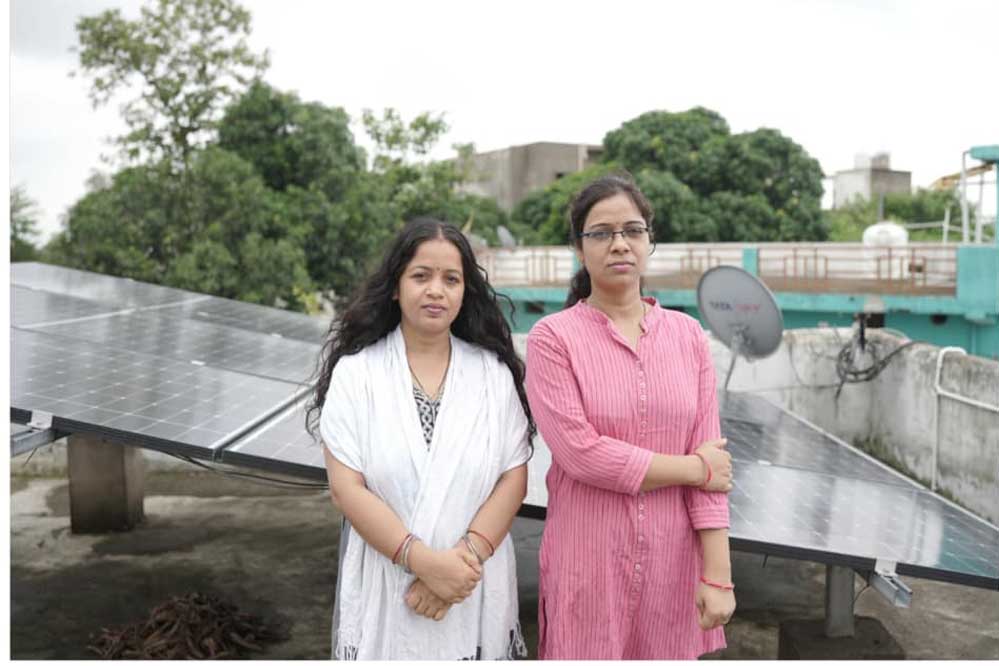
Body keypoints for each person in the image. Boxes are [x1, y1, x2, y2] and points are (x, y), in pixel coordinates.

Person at [525, 174, 736, 659]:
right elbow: (581, 454)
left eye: (633, 230)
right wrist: (693, 468)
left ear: (648, 241)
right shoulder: (553, 339)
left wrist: (718, 575)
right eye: (601, 233)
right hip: (589, 565)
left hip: (672, 564)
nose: (619, 244)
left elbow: (713, 465)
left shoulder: (688, 336)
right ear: (580, 249)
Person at [307, 218, 533, 660]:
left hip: (472, 583)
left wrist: (458, 567)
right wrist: (426, 564)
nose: (436, 290)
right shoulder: (357, 374)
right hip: (389, 584)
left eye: (451, 279)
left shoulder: (492, 374)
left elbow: (513, 477)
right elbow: (346, 488)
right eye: (421, 276)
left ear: (465, 291)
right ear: (396, 286)